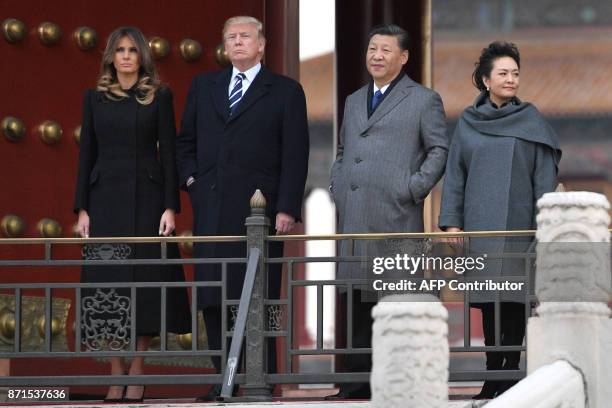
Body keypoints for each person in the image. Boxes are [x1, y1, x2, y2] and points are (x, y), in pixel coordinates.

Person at [175, 16, 309, 400]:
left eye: (245, 37)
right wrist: (192, 184)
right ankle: (222, 379)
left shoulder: (284, 91)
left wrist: (285, 208)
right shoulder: (205, 87)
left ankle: (260, 379)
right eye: (230, 37)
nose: (237, 43)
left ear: (262, 44)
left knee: (257, 296)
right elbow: (186, 144)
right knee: (214, 297)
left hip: (260, 214)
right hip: (212, 210)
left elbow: (295, 155)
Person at [328, 24, 449, 400]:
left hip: (396, 215)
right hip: (355, 215)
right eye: (372, 49)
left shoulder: (423, 99)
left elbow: (439, 150)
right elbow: (345, 151)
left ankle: (398, 380)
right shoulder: (353, 99)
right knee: (356, 301)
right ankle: (355, 383)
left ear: (404, 57)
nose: (376, 56)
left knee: (395, 301)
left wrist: (412, 188)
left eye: (385, 50)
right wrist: (337, 184)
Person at [73, 26, 191, 403]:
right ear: (110, 56)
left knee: (145, 284)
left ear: (142, 57)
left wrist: (171, 207)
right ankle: (115, 371)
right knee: (106, 286)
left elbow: (169, 154)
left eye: (132, 50)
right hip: (104, 198)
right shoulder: (94, 99)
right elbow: (85, 156)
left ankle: (138, 368)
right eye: (119, 50)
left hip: (148, 200)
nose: (126, 56)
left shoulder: (158, 95)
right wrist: (82, 209)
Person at [438, 41, 561, 399]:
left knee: (515, 301)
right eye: (503, 73)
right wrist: (453, 224)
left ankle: (509, 372)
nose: (511, 79)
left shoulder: (531, 121)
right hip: (481, 228)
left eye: (515, 73)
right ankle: (494, 373)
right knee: (488, 302)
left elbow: (544, 178)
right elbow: (455, 175)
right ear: (485, 80)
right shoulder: (468, 123)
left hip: (522, 227)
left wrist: (543, 224)